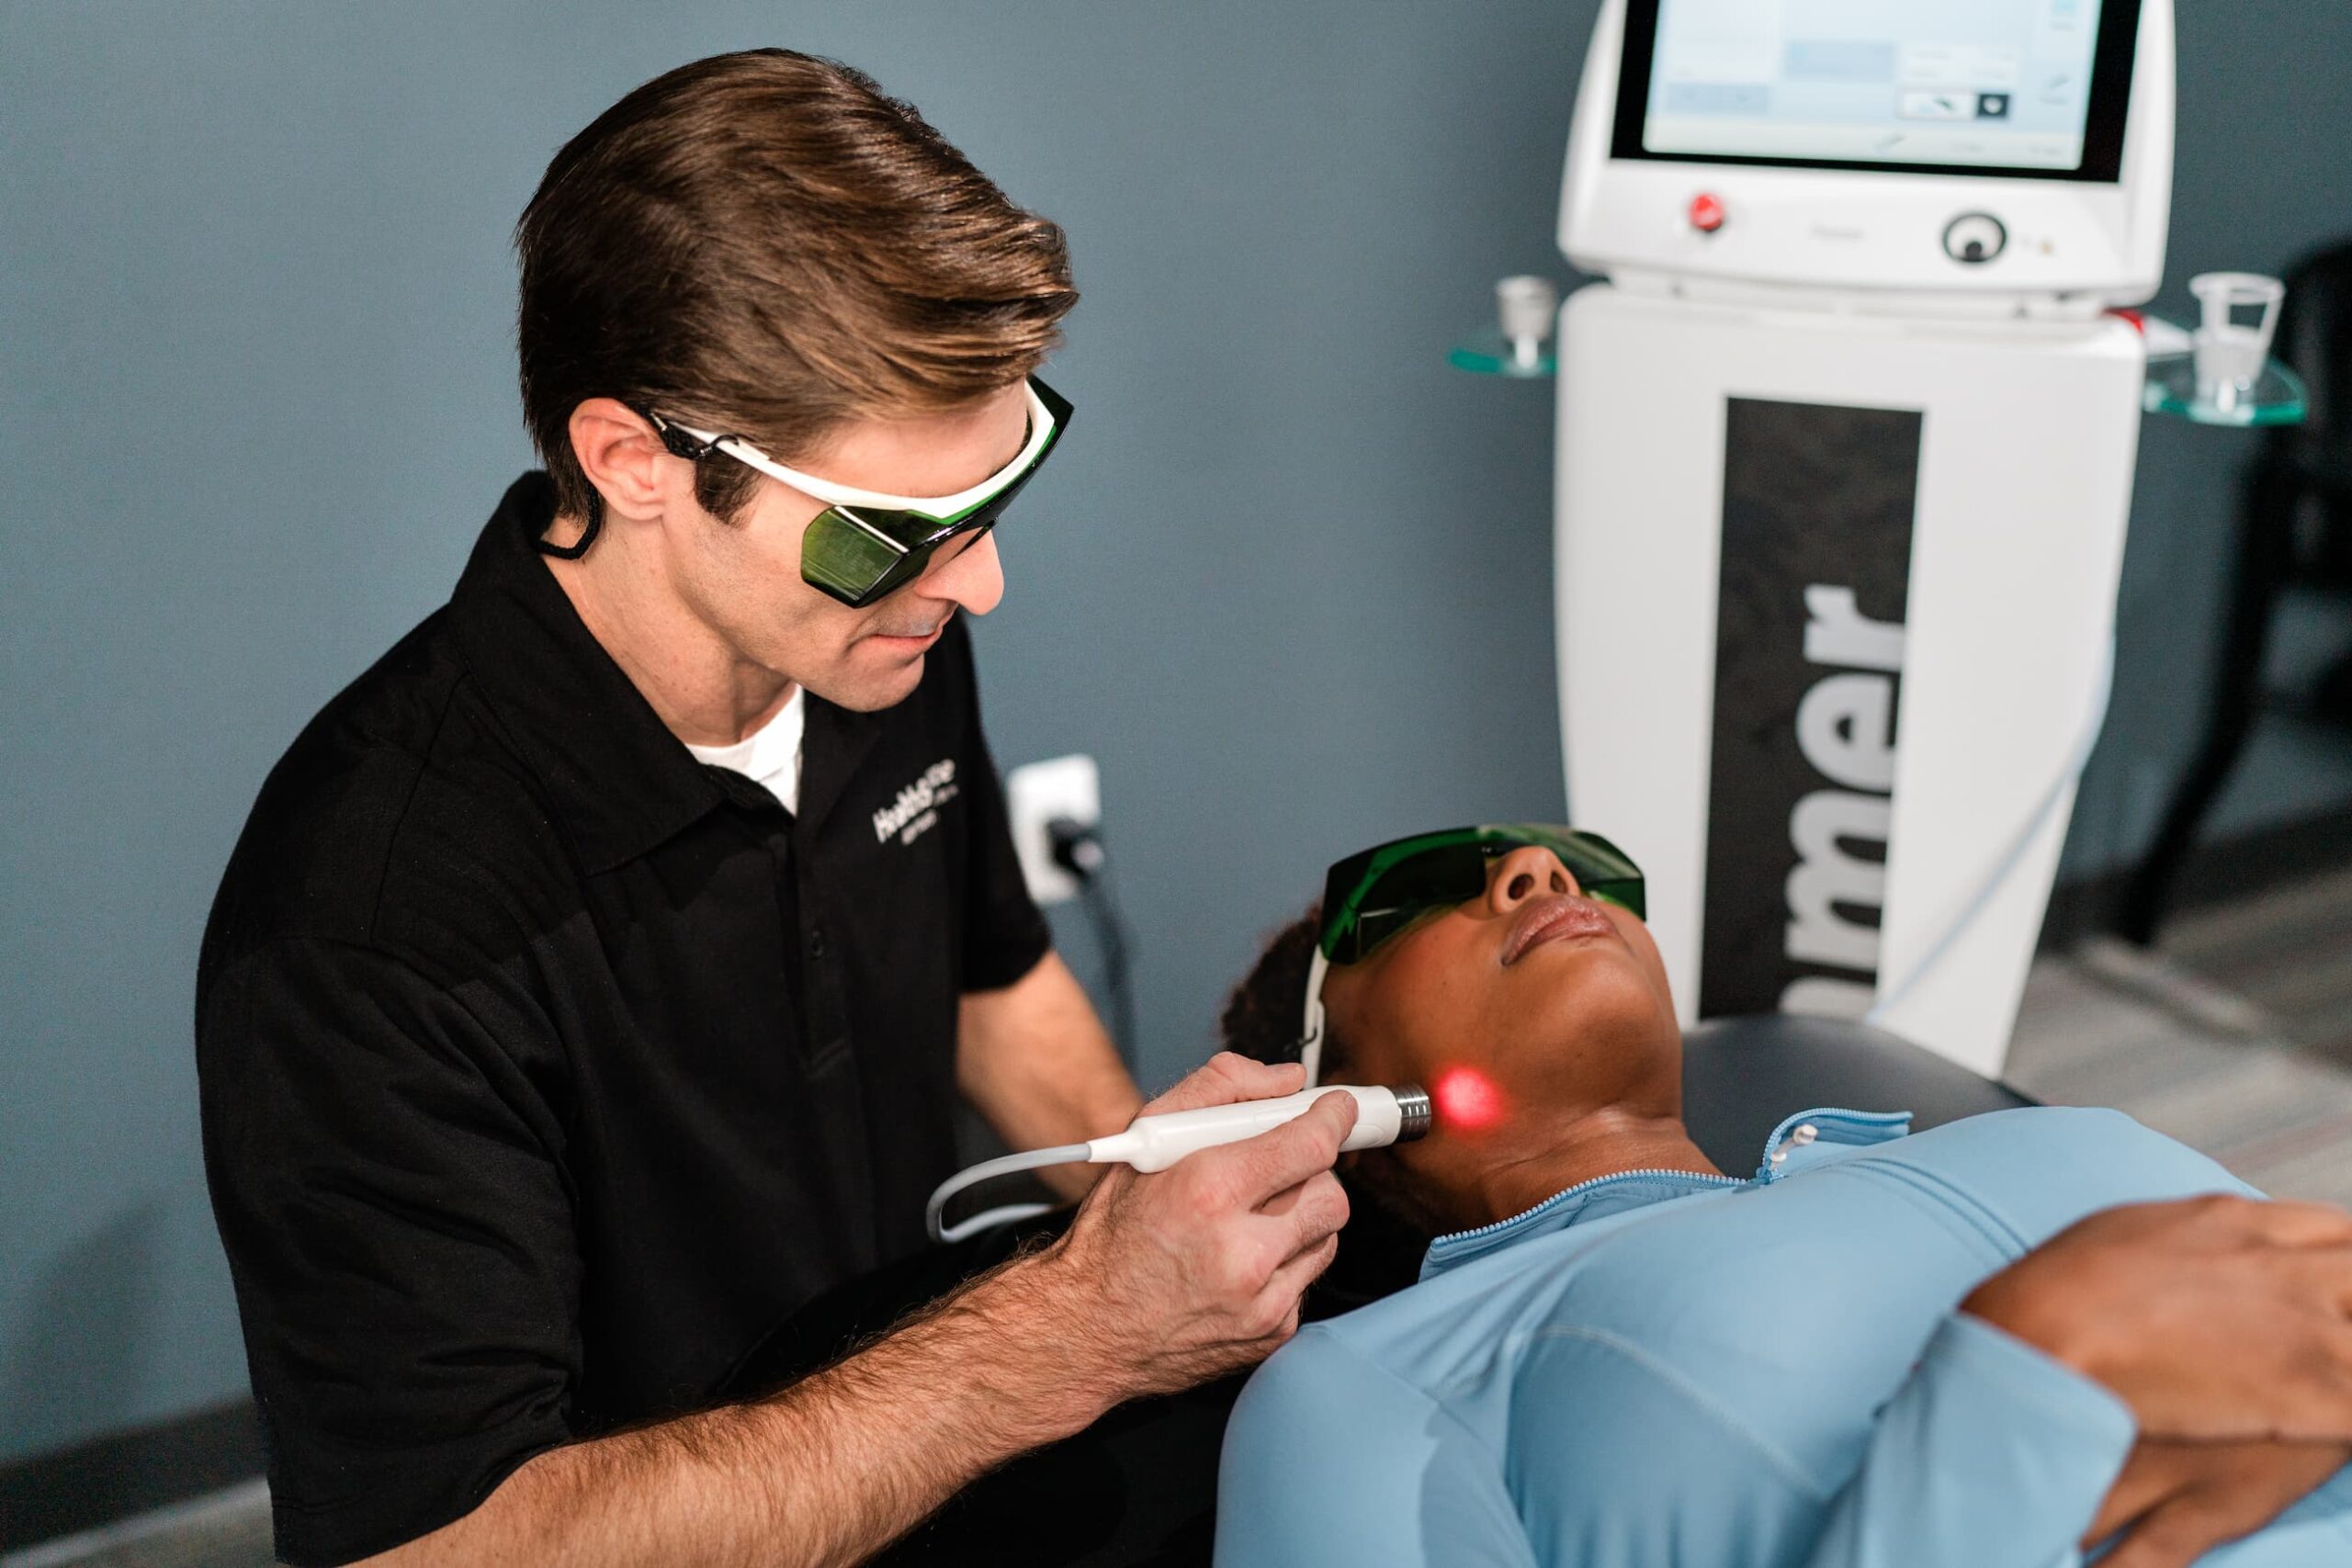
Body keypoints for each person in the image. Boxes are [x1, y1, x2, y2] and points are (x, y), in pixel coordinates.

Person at [196, 51, 1355, 1568]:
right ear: (633, 461)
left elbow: (987, 982)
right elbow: (444, 1546)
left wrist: (1166, 1210)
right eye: (895, 533)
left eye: (999, 495)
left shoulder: (877, 646)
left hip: (935, 1464)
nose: (978, 582)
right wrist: (1071, 1330)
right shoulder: (370, 930)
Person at [1211, 825, 2352, 1568]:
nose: (1538, 872)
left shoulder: (2017, 1140)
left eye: (1580, 863)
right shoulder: (1364, 1388)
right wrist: (2022, 1391)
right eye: (1408, 894)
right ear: (1335, 1107)